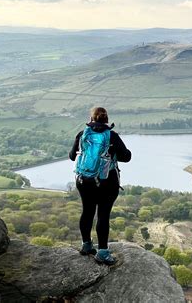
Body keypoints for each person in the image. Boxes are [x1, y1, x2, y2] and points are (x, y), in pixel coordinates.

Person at [69, 107, 131, 265]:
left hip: (84, 180)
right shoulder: (112, 136)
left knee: (87, 211)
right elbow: (127, 157)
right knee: (103, 215)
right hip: (107, 181)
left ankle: (86, 245)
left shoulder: (83, 134)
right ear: (106, 119)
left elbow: (71, 156)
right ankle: (103, 252)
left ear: (91, 119)